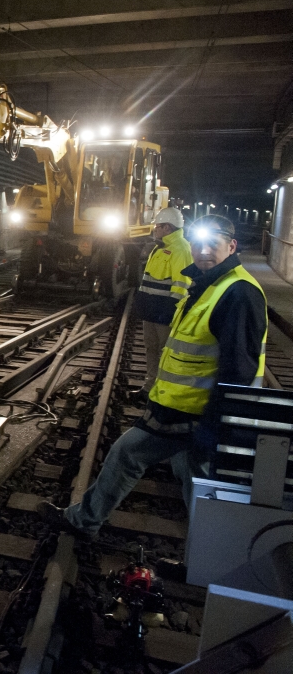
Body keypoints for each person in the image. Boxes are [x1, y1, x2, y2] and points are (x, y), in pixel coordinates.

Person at [39, 215, 267, 537]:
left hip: (194, 412)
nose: (202, 251)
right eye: (197, 244)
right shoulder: (210, 283)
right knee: (193, 476)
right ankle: (210, 553)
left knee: (127, 453)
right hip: (187, 407)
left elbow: (239, 370)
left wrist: (214, 424)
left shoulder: (238, 294)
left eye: (212, 244)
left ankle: (84, 521)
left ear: (231, 246)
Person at [131, 207, 193, 396]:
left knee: (166, 351)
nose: (155, 229)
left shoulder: (180, 249)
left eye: (158, 226)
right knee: (151, 348)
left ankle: (164, 390)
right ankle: (150, 387)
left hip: (165, 311)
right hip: (152, 310)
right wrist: (141, 302)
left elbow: (182, 284)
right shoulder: (159, 248)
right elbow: (148, 279)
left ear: (167, 227)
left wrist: (171, 311)